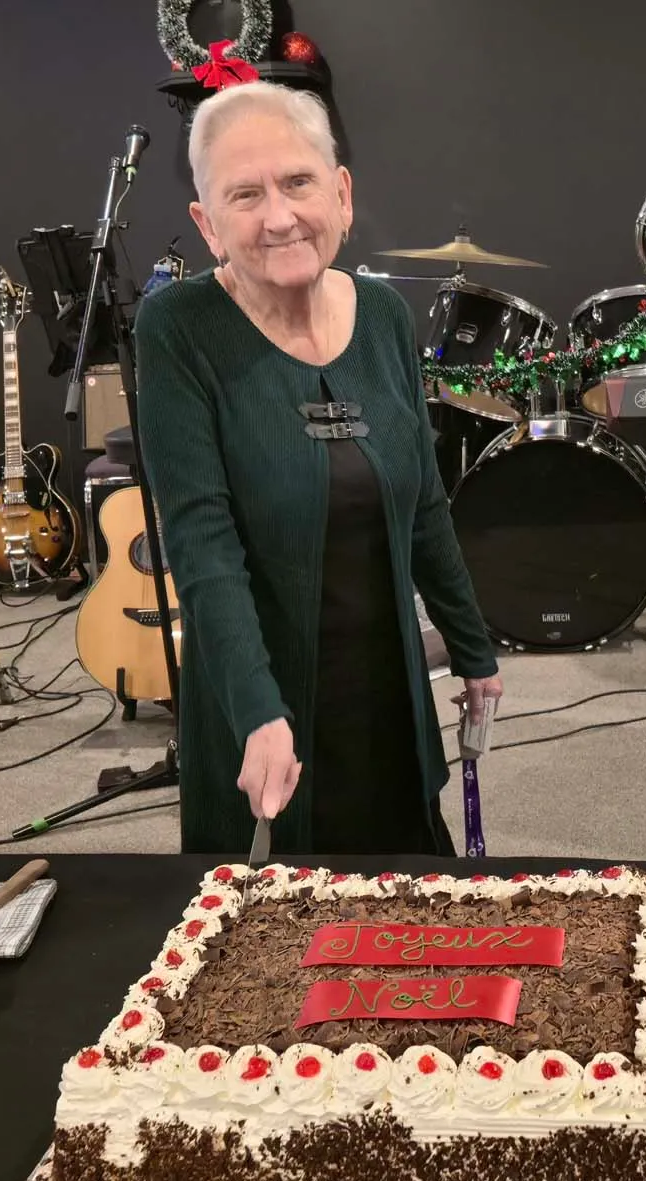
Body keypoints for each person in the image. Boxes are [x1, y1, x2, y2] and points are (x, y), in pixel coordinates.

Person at [136, 82, 504, 856]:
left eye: (298, 182)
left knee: (413, 923)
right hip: (260, 700)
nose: (278, 216)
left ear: (341, 193)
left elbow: (426, 503)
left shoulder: (382, 316)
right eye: (245, 194)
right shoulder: (178, 329)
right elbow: (202, 542)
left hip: (386, 694)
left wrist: (471, 650)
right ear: (207, 225)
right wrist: (258, 712)